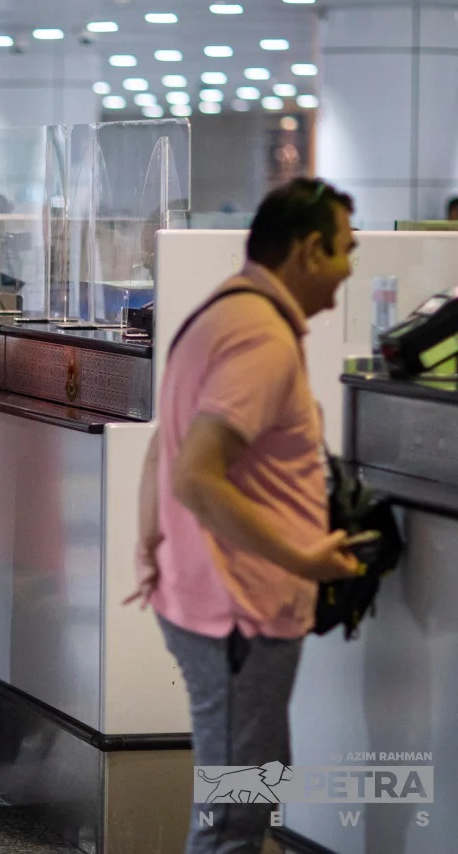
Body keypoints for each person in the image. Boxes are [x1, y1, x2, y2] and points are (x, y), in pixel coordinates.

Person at [131, 178, 362, 854]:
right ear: (310, 249)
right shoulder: (259, 336)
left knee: (251, 787)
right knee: (232, 820)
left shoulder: (219, 313)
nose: (352, 266)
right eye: (346, 248)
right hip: (238, 611)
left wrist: (151, 545)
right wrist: (306, 559)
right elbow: (196, 471)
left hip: (218, 602)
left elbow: (163, 449)